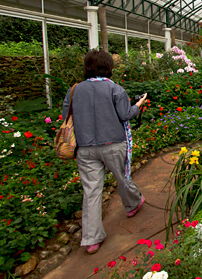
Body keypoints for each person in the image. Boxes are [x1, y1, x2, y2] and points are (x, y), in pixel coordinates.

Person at [62, 50, 147, 254]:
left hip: (85, 149)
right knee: (122, 177)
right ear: (108, 68)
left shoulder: (74, 90)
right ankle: (133, 204)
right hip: (113, 144)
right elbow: (125, 115)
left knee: (91, 191)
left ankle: (91, 239)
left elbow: (66, 115)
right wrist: (139, 104)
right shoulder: (114, 89)